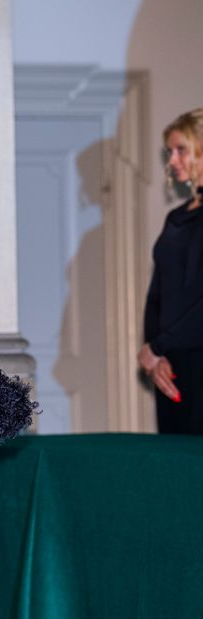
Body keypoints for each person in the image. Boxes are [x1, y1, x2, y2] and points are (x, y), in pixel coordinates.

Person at [140, 108, 203, 434]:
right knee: (176, 467)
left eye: (181, 150)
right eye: (170, 151)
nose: (172, 160)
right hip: (171, 364)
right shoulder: (177, 217)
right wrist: (154, 353)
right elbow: (158, 294)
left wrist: (158, 346)